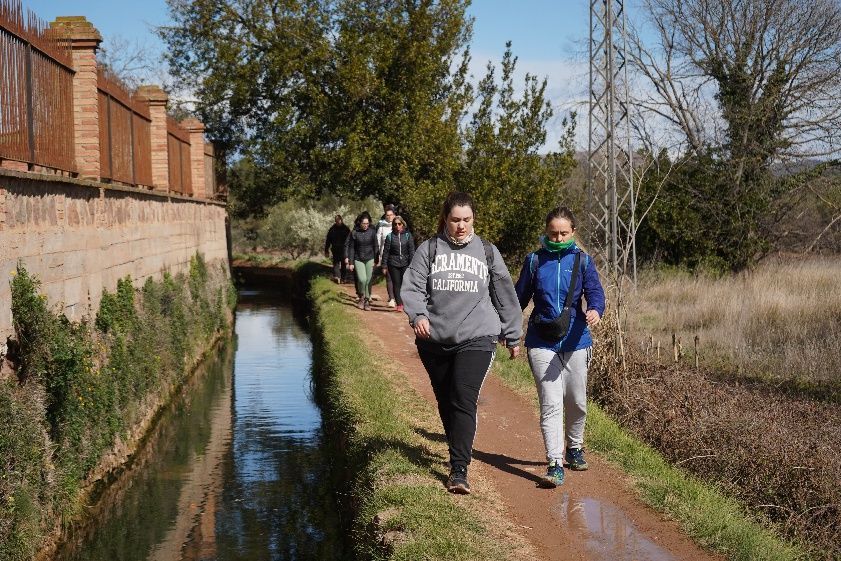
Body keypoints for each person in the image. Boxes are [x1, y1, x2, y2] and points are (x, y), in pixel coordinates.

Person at [401, 192, 522, 494]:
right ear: (445, 219)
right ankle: (457, 451)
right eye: (455, 220)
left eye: (466, 220)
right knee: (445, 400)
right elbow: (413, 287)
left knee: (462, 397)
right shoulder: (429, 250)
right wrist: (417, 316)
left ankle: (459, 469)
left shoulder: (487, 251)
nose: (461, 226)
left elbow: (504, 294)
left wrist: (512, 333)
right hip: (434, 338)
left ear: (473, 220)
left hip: (477, 336)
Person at [514, 206, 605, 488]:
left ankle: (574, 447)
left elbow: (595, 293)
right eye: (553, 234)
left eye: (564, 233)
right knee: (551, 403)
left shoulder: (583, 261)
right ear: (546, 232)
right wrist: (507, 329)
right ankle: (555, 463)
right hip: (542, 340)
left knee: (576, 402)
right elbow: (519, 298)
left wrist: (596, 310)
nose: (558, 238)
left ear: (573, 232)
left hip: (576, 339)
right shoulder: (534, 261)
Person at [345, 211, 379, 310]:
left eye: (367, 223)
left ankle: (367, 300)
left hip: (370, 258)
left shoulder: (372, 232)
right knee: (362, 279)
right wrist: (351, 262)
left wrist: (376, 259)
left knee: (368, 280)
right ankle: (361, 297)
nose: (366, 225)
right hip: (358, 259)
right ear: (360, 223)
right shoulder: (354, 233)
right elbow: (351, 248)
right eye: (364, 223)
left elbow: (375, 246)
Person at [380, 215, 415, 313]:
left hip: (405, 262)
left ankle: (406, 302)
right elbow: (386, 252)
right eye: (395, 224)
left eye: (399, 224)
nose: (397, 226)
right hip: (393, 263)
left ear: (403, 224)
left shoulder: (408, 236)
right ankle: (399, 304)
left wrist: (412, 264)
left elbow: (411, 250)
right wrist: (384, 266)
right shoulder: (390, 237)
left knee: (406, 283)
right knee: (396, 284)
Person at [375, 205, 397, 307]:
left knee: (398, 278)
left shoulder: (399, 225)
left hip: (398, 256)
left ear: (394, 215)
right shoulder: (381, 226)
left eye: (391, 215)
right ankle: (392, 298)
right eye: (387, 215)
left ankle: (398, 298)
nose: (389, 217)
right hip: (386, 255)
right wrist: (378, 255)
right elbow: (378, 241)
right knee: (389, 277)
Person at [324, 214, 351, 283]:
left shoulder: (346, 229)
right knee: (336, 263)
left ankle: (343, 278)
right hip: (335, 249)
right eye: (336, 220)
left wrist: (350, 249)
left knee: (343, 264)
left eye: (338, 220)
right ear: (335, 221)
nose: (337, 221)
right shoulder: (332, 229)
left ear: (341, 220)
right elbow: (328, 240)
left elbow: (350, 240)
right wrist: (326, 250)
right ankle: (337, 277)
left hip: (344, 249)